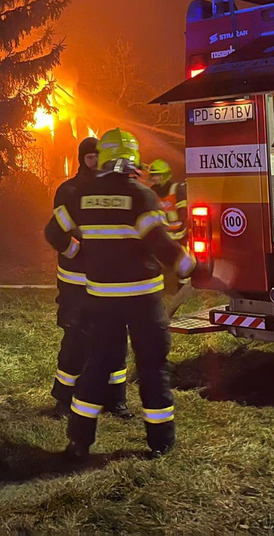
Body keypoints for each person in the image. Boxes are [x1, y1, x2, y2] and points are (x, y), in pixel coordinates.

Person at [45, 128, 200, 459]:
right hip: (142, 299)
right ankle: (160, 441)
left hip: (100, 298)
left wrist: (79, 254)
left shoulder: (79, 195)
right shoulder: (142, 196)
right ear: (132, 160)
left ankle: (79, 441)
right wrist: (189, 265)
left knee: (97, 365)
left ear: (102, 158)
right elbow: (159, 242)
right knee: (151, 366)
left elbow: (53, 231)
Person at [44, 137, 130, 419]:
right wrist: (76, 252)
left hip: (108, 282)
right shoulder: (68, 190)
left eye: (98, 156)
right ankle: (63, 399)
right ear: (82, 158)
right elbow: (56, 231)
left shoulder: (111, 189)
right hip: (76, 282)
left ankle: (115, 400)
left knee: (115, 339)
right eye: (90, 157)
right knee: (76, 341)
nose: (94, 161)